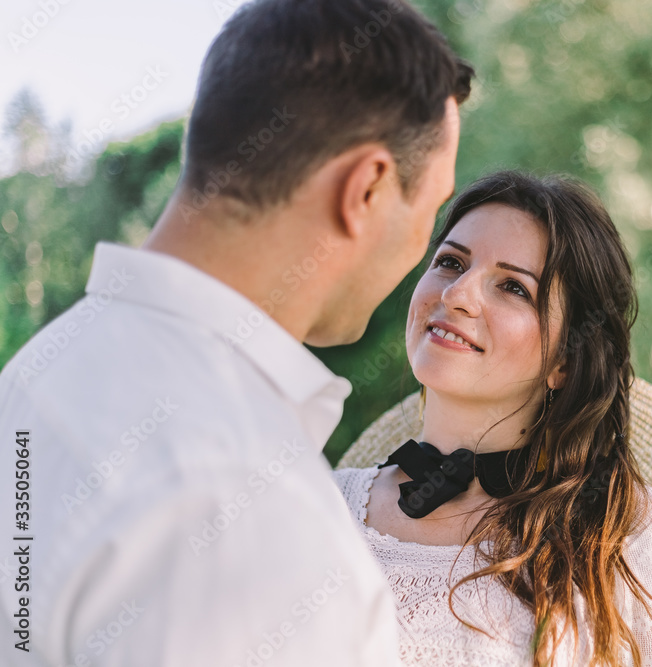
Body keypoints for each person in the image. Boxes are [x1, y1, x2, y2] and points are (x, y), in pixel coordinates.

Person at [0, 0, 472, 665]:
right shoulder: (254, 520)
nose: (424, 252)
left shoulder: (38, 372)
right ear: (365, 189)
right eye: (430, 209)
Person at [332, 171, 652, 666]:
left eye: (513, 287)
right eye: (451, 261)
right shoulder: (319, 507)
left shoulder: (635, 538)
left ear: (564, 360)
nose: (456, 294)